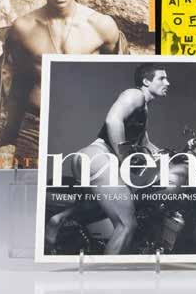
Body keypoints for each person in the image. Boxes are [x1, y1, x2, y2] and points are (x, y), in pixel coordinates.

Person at [0, 0, 128, 168]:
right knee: (28, 185)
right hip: (35, 125)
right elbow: (5, 73)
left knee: (83, 186)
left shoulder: (101, 26)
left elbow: (120, 74)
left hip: (85, 123)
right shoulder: (23, 28)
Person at [46, 65, 178, 255]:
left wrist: (174, 156)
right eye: (162, 78)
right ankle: (108, 271)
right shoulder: (135, 95)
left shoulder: (143, 111)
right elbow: (113, 120)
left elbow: (147, 144)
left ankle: (58, 220)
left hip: (90, 160)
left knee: (99, 206)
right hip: (99, 157)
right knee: (127, 225)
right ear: (146, 81)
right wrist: (125, 158)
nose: (168, 83)